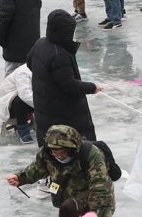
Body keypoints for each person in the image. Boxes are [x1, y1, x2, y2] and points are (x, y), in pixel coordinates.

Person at [6, 125, 115, 217]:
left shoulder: (92, 154)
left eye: (63, 152)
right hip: (70, 204)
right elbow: (36, 168)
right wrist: (20, 178)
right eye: (55, 151)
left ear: (72, 148)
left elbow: (100, 189)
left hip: (96, 204)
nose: (59, 156)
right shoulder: (47, 154)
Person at [23, 9, 100, 144]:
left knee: (50, 145)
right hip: (63, 112)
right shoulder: (59, 55)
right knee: (67, 145)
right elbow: (70, 84)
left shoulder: (40, 43)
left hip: (44, 106)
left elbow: (30, 63)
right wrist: (92, 87)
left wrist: (47, 81)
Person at [0, 63, 35, 144]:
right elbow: (25, 95)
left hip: (27, 99)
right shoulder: (23, 72)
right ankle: (23, 130)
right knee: (20, 100)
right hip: (9, 102)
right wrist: (43, 106)